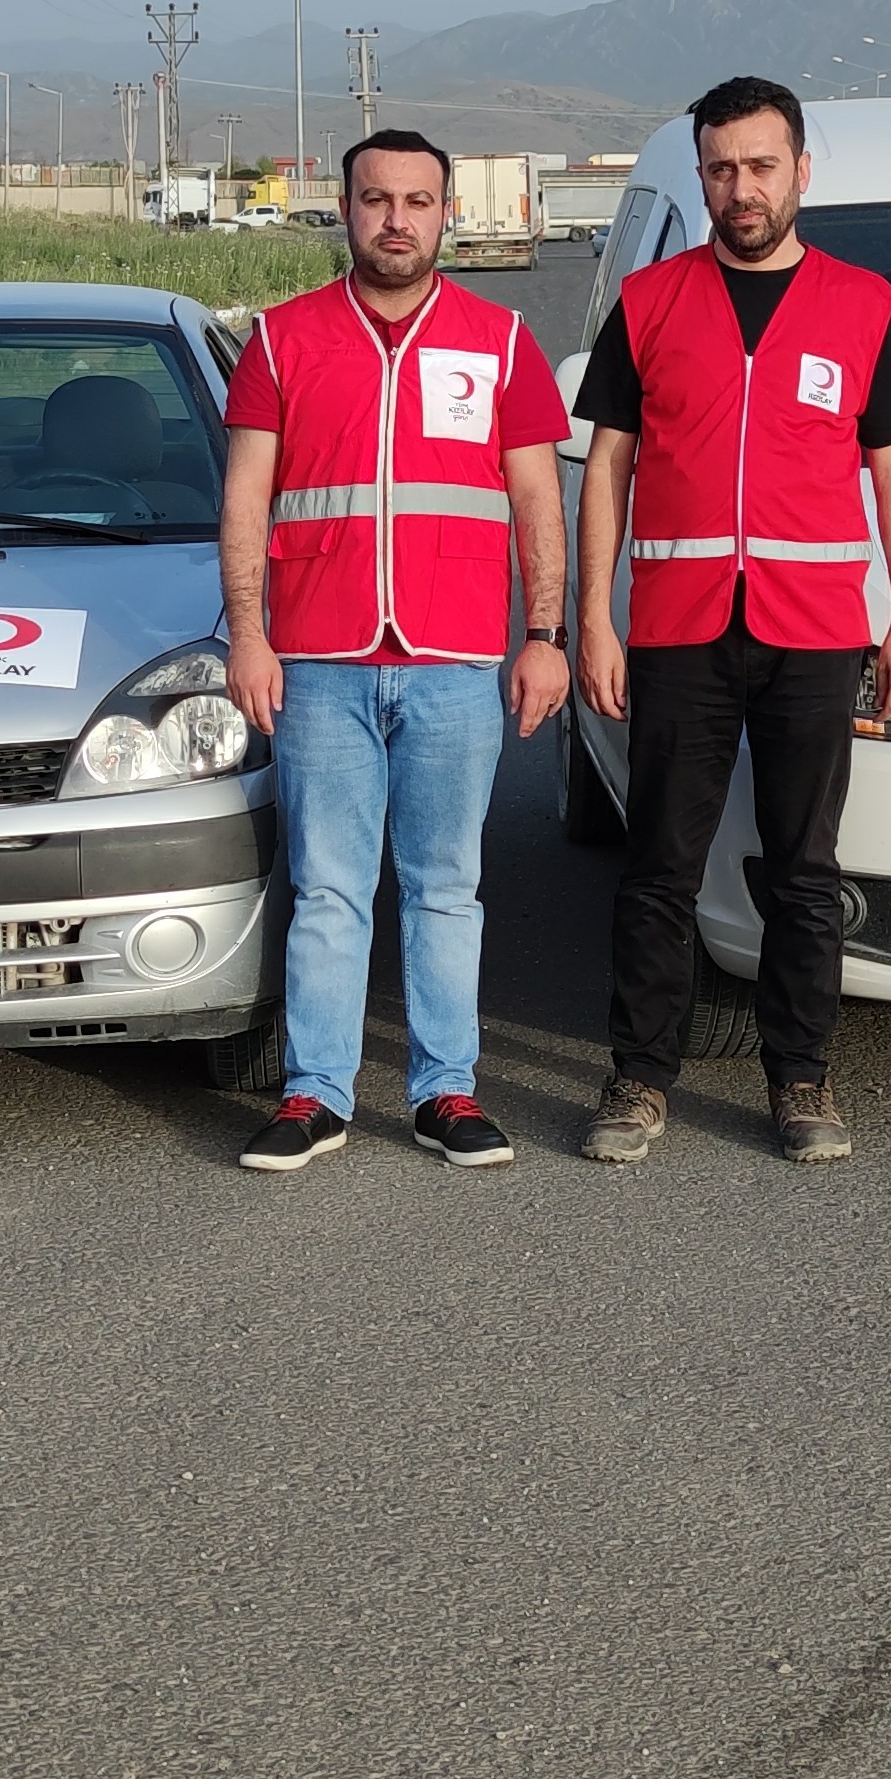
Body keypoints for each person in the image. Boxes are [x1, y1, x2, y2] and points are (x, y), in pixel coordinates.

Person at [571, 78, 891, 1167]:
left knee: (803, 870)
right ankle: (637, 1079)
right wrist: (594, 615)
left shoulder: (862, 305)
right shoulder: (650, 304)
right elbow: (609, 472)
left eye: (761, 165)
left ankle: (802, 1081)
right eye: (721, 168)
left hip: (815, 633)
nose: (741, 188)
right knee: (658, 868)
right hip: (680, 630)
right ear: (702, 176)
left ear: (801, 171)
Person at [216, 129, 573, 1173]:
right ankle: (314, 1093)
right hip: (318, 661)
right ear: (345, 208)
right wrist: (248, 632)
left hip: (454, 663)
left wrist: (542, 637)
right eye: (377, 199)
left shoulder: (500, 342)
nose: (397, 220)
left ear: (445, 213)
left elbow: (537, 507)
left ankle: (445, 1092)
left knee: (444, 885)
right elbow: (243, 505)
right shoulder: (281, 343)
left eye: (418, 201)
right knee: (327, 887)